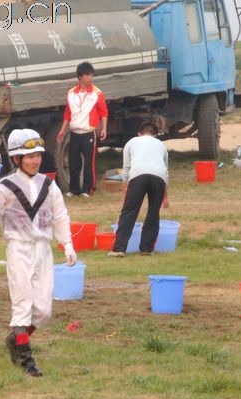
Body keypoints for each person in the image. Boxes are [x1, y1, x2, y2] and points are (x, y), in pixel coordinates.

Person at [0, 129, 77, 377]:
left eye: (37, 155)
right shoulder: (5, 187)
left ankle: (17, 338)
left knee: (43, 311)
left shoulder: (49, 184)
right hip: (18, 249)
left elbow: (60, 215)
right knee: (22, 304)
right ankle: (26, 360)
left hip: (43, 250)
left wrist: (67, 244)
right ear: (16, 159)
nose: (35, 160)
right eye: (28, 156)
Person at [108, 122, 169, 257]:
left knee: (129, 212)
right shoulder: (161, 145)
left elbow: (126, 169)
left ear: (139, 133)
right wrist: (165, 197)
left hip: (138, 176)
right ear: (156, 135)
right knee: (153, 213)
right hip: (159, 177)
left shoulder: (131, 142)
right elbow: (166, 172)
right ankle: (146, 249)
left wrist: (125, 191)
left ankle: (119, 249)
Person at [56, 61, 108, 198]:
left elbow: (104, 112)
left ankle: (88, 189)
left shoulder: (97, 93)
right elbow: (67, 113)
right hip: (74, 132)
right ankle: (74, 189)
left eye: (91, 75)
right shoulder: (71, 93)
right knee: (74, 162)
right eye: (87, 75)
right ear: (80, 77)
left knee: (89, 163)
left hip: (89, 132)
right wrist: (62, 130)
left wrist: (104, 128)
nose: (90, 78)